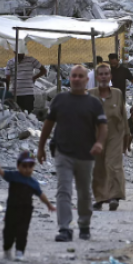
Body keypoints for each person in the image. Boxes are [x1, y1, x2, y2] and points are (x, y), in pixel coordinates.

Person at [37, 65, 108, 242]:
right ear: (70, 78)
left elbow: (103, 126)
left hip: (86, 154)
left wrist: (99, 143)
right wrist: (40, 147)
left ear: (86, 80)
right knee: (64, 190)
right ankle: (64, 228)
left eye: (80, 76)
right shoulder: (60, 100)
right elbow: (48, 124)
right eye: (74, 76)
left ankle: (84, 224)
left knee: (84, 192)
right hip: (63, 153)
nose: (76, 79)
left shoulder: (94, 103)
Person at [0, 151, 55, 261]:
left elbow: (40, 194)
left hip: (25, 211)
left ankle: (19, 251)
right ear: (18, 166)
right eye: (24, 166)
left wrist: (49, 204)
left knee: (22, 231)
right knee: (9, 231)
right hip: (12, 209)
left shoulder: (33, 183)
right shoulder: (14, 176)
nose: (27, 169)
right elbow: (2, 173)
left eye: (30, 166)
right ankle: (7, 249)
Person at [89, 63, 128, 212]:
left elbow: (123, 116)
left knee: (113, 163)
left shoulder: (117, 93)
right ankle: (100, 198)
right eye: (101, 74)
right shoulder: (91, 94)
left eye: (107, 74)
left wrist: (127, 137)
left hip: (114, 134)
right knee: (98, 167)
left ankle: (114, 197)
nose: (104, 77)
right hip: (96, 135)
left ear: (110, 76)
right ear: (97, 77)